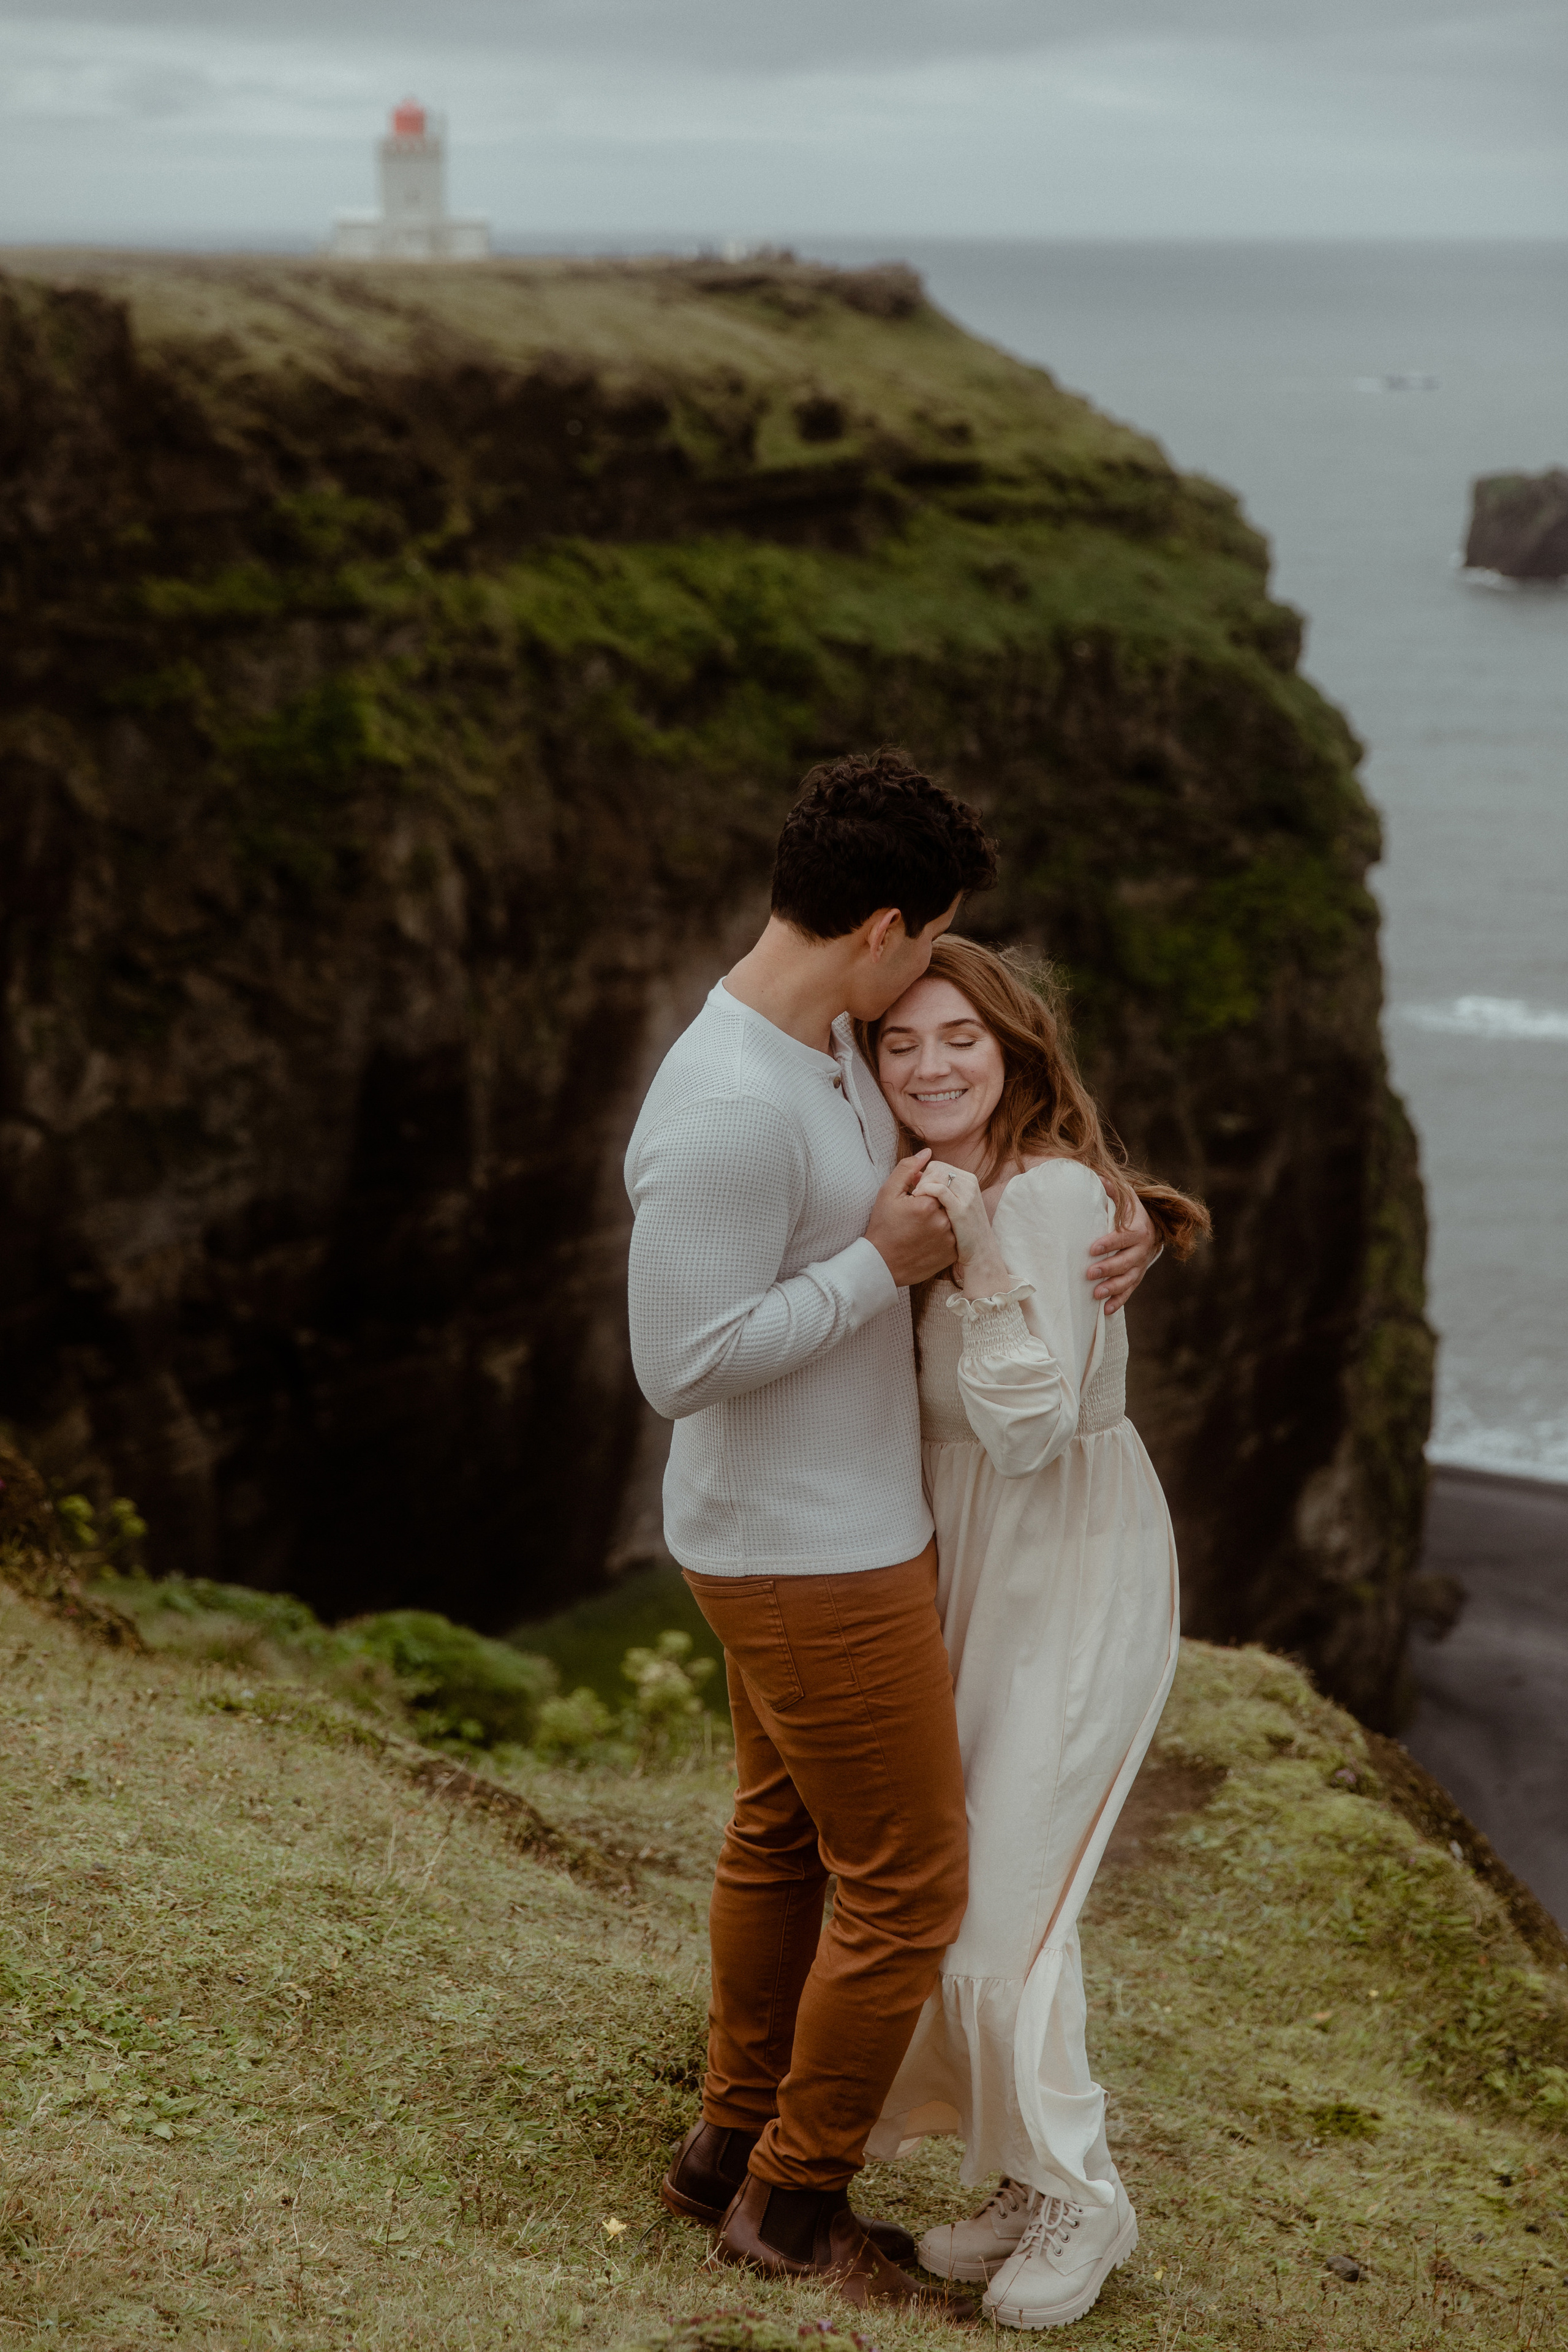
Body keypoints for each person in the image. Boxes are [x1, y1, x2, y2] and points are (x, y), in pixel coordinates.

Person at [624, 750, 1164, 2312]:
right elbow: (682, 1364)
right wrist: (871, 1263)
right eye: (926, 939)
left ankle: (726, 2151)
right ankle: (794, 2205)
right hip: (805, 1549)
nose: (934, 975)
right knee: (911, 1883)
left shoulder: (831, 1047)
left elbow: (973, 1167)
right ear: (880, 924)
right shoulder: (728, 1103)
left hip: (842, 1522)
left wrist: (1120, 1215)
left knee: (785, 1839)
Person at [855, 934, 1210, 2330]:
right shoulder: (926, 1185)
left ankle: (1082, 2195)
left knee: (1013, 1900)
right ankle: (1012, 2173)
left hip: (1064, 1554)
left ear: (1015, 1050)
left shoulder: (1052, 1197)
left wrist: (985, 1244)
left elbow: (1024, 1425)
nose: (931, 1064)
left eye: (960, 1039)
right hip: (959, 1563)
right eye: (900, 1044)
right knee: (954, 1892)